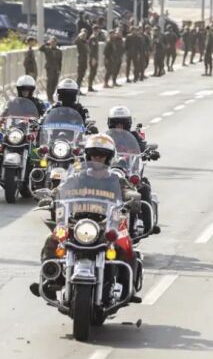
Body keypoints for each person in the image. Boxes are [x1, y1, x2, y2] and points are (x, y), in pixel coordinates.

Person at [29, 134, 142, 302]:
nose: (97, 159)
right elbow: (60, 190)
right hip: (77, 223)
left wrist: (133, 198)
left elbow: (128, 192)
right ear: (88, 156)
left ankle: (128, 287)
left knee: (125, 245)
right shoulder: (76, 177)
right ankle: (49, 280)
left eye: (101, 155)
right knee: (52, 240)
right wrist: (50, 196)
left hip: (105, 224)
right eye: (94, 155)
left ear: (108, 158)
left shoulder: (116, 180)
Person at [107, 105, 161, 235]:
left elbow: (142, 146)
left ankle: (148, 224)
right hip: (109, 172)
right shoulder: (106, 137)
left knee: (144, 188)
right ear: (111, 123)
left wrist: (149, 152)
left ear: (128, 124)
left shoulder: (134, 136)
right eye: (116, 123)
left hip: (130, 172)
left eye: (122, 124)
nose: (119, 127)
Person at [39, 37, 62, 104]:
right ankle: (49, 97)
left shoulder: (59, 51)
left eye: (54, 42)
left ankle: (51, 95)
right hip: (50, 68)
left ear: (56, 43)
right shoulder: (47, 49)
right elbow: (40, 49)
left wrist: (59, 70)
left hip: (56, 69)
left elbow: (60, 62)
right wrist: (46, 43)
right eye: (52, 42)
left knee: (54, 83)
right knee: (50, 82)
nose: (53, 43)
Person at [87, 26, 101, 92]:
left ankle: (90, 85)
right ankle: (89, 86)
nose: (97, 32)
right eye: (97, 30)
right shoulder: (93, 38)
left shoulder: (95, 38)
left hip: (95, 58)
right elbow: (92, 50)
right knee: (92, 72)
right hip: (93, 58)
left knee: (94, 72)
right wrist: (93, 58)